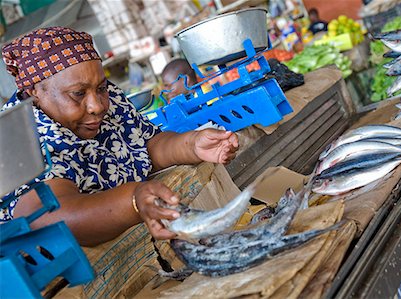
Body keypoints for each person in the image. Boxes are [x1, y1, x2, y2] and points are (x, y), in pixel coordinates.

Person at [0, 27, 239, 247]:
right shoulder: (21, 140)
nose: (97, 105)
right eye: (78, 94)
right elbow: (53, 216)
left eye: (101, 88)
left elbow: (146, 146)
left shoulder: (108, 98)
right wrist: (133, 202)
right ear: (34, 92)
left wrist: (192, 144)